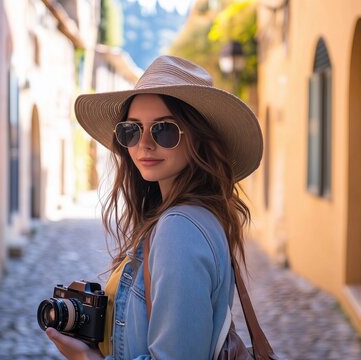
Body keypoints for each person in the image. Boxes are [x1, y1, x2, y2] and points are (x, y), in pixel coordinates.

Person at [46, 55, 263, 359]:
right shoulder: (193, 217)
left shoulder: (180, 229)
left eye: (164, 130)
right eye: (131, 131)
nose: (144, 144)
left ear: (198, 139)